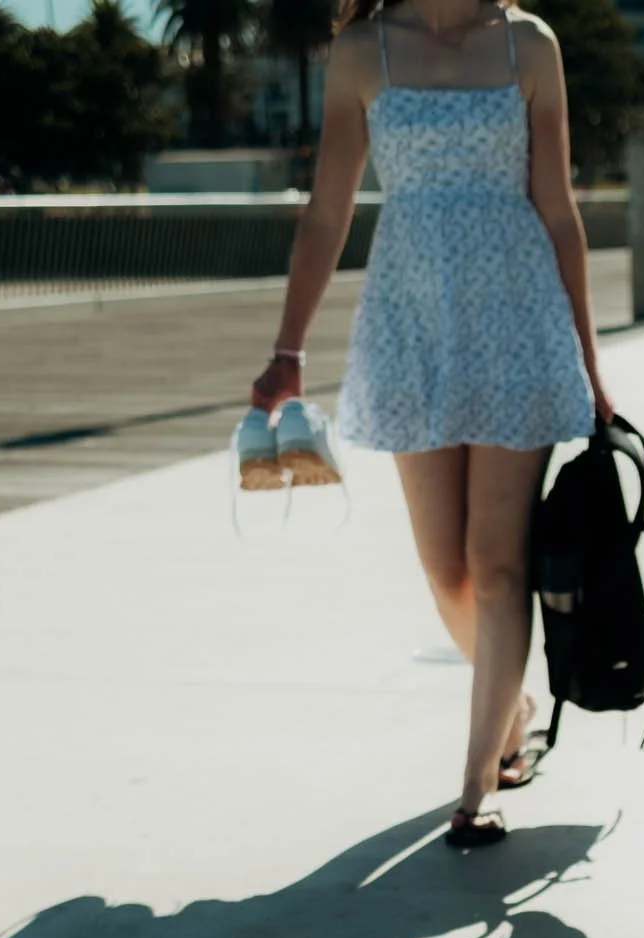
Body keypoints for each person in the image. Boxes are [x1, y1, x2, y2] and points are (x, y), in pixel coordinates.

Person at [250, 0, 613, 849]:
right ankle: (509, 698)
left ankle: (478, 779)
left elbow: (558, 209)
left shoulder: (529, 44)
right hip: (411, 322)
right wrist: (287, 348)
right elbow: (326, 214)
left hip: (518, 320)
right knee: (446, 568)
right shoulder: (361, 51)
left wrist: (589, 361)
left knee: (497, 564)